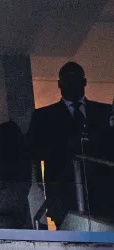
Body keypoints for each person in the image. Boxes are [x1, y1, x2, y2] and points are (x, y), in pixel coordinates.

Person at [27, 62, 113, 227]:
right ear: (59, 84)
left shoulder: (105, 112)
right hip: (63, 192)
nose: (72, 83)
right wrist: (65, 146)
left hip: (104, 192)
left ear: (85, 82)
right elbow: (33, 150)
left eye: (76, 79)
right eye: (68, 79)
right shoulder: (43, 116)